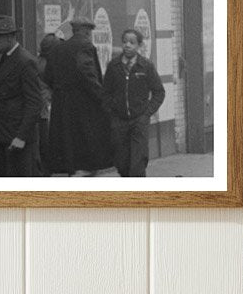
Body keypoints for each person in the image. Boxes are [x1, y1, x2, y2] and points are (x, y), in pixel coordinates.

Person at [46, 18, 112, 176]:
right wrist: (102, 96)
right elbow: (87, 73)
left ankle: (70, 170)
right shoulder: (85, 45)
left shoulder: (58, 48)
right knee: (85, 144)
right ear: (87, 31)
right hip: (83, 104)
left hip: (61, 104)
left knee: (67, 142)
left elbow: (47, 76)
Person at [102, 29, 165, 177]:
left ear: (139, 45)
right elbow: (105, 93)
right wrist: (112, 113)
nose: (127, 45)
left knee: (137, 164)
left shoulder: (146, 66)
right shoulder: (113, 66)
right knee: (122, 163)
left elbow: (159, 92)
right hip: (119, 122)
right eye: (124, 42)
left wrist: (146, 114)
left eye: (132, 42)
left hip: (139, 121)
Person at [0, 15, 42, 177]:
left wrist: (21, 137)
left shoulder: (24, 61)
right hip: (5, 136)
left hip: (18, 139)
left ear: (10, 37)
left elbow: (34, 103)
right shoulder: (4, 59)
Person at [35, 33, 58, 176]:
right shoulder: (49, 64)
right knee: (46, 144)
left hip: (40, 108)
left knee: (42, 145)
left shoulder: (37, 61)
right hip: (46, 108)